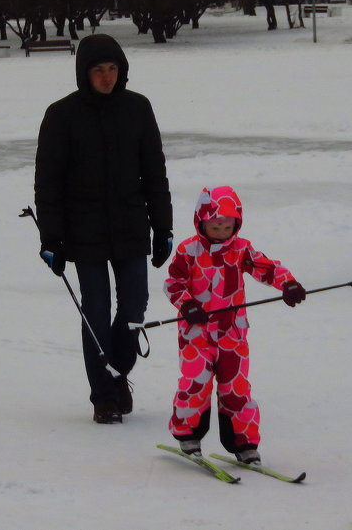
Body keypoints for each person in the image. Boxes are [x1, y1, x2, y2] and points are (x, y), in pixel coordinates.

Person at [35, 33, 173, 425]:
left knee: (133, 308)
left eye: (113, 69)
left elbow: (155, 173)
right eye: (99, 70)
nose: (107, 77)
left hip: (131, 226)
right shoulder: (61, 116)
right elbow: (48, 183)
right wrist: (51, 238)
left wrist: (163, 227)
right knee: (96, 308)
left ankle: (117, 373)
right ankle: (103, 395)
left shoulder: (138, 108)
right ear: (85, 73)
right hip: (84, 232)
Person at [164, 186, 306, 465]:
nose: (221, 232)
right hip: (196, 334)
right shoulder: (188, 250)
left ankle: (245, 443)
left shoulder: (241, 249)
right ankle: (188, 434)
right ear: (201, 221)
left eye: (227, 226)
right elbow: (173, 283)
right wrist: (187, 304)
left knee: (236, 388)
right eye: (215, 226)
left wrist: (287, 283)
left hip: (232, 333)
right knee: (195, 382)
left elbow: (268, 268)